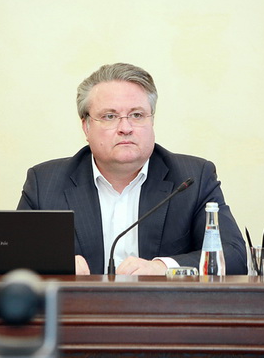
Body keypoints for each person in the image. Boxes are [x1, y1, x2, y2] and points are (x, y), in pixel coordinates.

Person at [17, 63, 247, 275]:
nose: (125, 128)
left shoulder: (192, 179)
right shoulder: (44, 183)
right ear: (86, 126)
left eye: (137, 115)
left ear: (151, 120)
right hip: (78, 306)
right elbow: (12, 258)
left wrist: (162, 267)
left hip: (162, 306)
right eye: (110, 116)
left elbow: (234, 256)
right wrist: (55, 263)